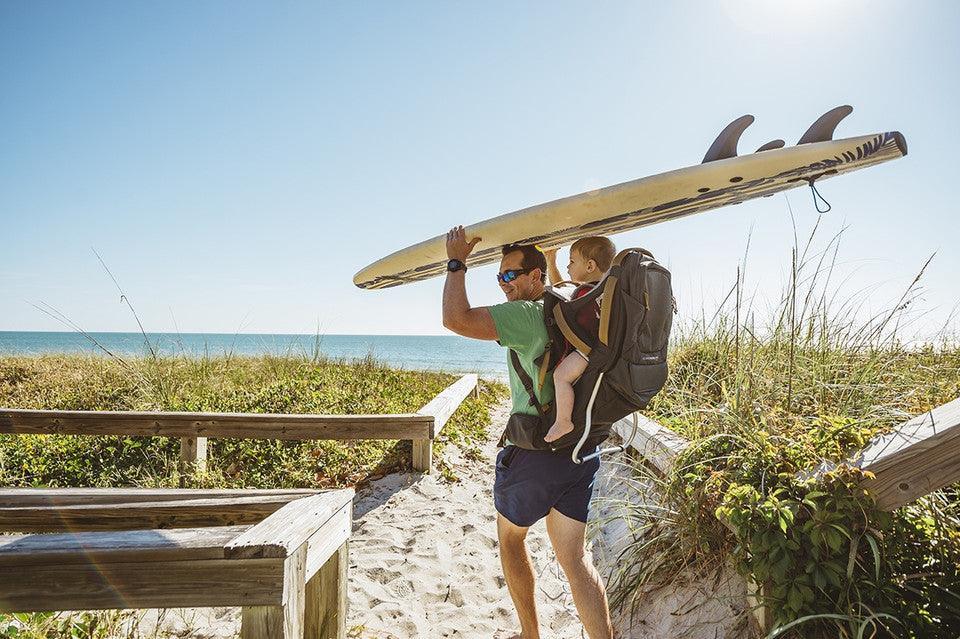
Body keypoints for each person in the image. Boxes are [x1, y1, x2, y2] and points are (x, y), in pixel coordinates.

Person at [442, 225, 613, 639]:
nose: (503, 284)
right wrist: (553, 259)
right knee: (575, 560)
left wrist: (456, 262)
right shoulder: (570, 309)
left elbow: (455, 319)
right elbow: (562, 289)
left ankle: (530, 634)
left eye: (510, 275)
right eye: (498, 276)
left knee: (510, 538)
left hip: (536, 452)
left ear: (535, 277)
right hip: (581, 448)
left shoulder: (526, 314)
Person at [541, 237, 616, 444]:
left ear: (590, 266)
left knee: (561, 376)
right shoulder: (609, 290)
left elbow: (562, 295)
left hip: (590, 351)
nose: (568, 266)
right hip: (610, 349)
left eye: (572, 261)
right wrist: (551, 262)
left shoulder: (585, 292)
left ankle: (563, 421)